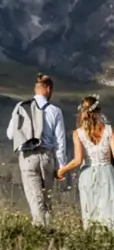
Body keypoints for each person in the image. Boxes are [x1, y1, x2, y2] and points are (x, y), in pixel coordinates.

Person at [56, 96, 114, 231]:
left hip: (88, 174)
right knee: (111, 210)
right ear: (99, 112)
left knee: (91, 212)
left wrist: (62, 170)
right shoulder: (109, 130)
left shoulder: (77, 133)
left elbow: (78, 160)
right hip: (107, 173)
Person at [6, 73, 66, 226]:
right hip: (47, 157)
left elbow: (10, 134)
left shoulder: (21, 107)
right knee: (47, 199)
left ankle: (40, 232)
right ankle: (49, 229)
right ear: (47, 89)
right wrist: (61, 167)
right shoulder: (55, 111)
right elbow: (60, 142)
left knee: (35, 198)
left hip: (28, 157)